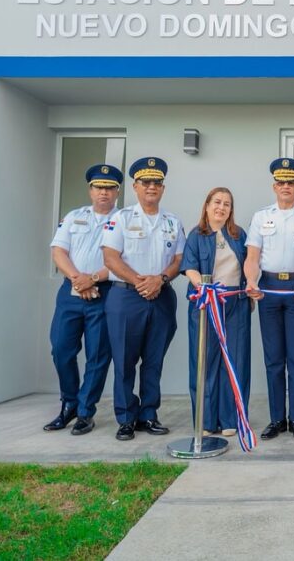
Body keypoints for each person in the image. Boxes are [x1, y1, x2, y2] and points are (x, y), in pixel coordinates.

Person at [102, 157, 185, 441]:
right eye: (146, 182)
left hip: (161, 297)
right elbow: (110, 258)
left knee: (153, 361)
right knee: (124, 360)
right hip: (126, 298)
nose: (152, 187)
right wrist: (141, 282)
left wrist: (159, 280)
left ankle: (149, 414)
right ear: (135, 186)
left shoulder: (173, 222)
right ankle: (126, 418)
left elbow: (178, 260)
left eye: (157, 183)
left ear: (163, 188)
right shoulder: (120, 218)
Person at [244, 158, 294, 440]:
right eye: (281, 182)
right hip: (267, 287)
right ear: (274, 186)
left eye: (291, 182)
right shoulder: (260, 216)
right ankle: (276, 419)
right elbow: (252, 257)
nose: (286, 187)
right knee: (273, 358)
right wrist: (251, 281)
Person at [44, 163, 122, 435]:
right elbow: (58, 252)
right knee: (61, 349)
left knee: (98, 355)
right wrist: (79, 279)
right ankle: (69, 403)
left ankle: (85, 412)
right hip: (71, 293)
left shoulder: (123, 219)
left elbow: (124, 259)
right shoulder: (73, 216)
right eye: (99, 187)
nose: (104, 192)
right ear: (90, 190)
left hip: (105, 293)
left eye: (110, 188)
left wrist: (95, 278)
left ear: (117, 192)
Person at [181, 187, 251, 437]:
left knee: (234, 360)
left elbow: (251, 264)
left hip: (236, 304)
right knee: (205, 361)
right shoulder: (196, 235)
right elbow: (189, 267)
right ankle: (207, 420)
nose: (222, 207)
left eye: (227, 204)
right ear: (207, 205)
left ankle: (231, 418)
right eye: (217, 202)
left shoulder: (238, 234)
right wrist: (203, 286)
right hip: (207, 303)